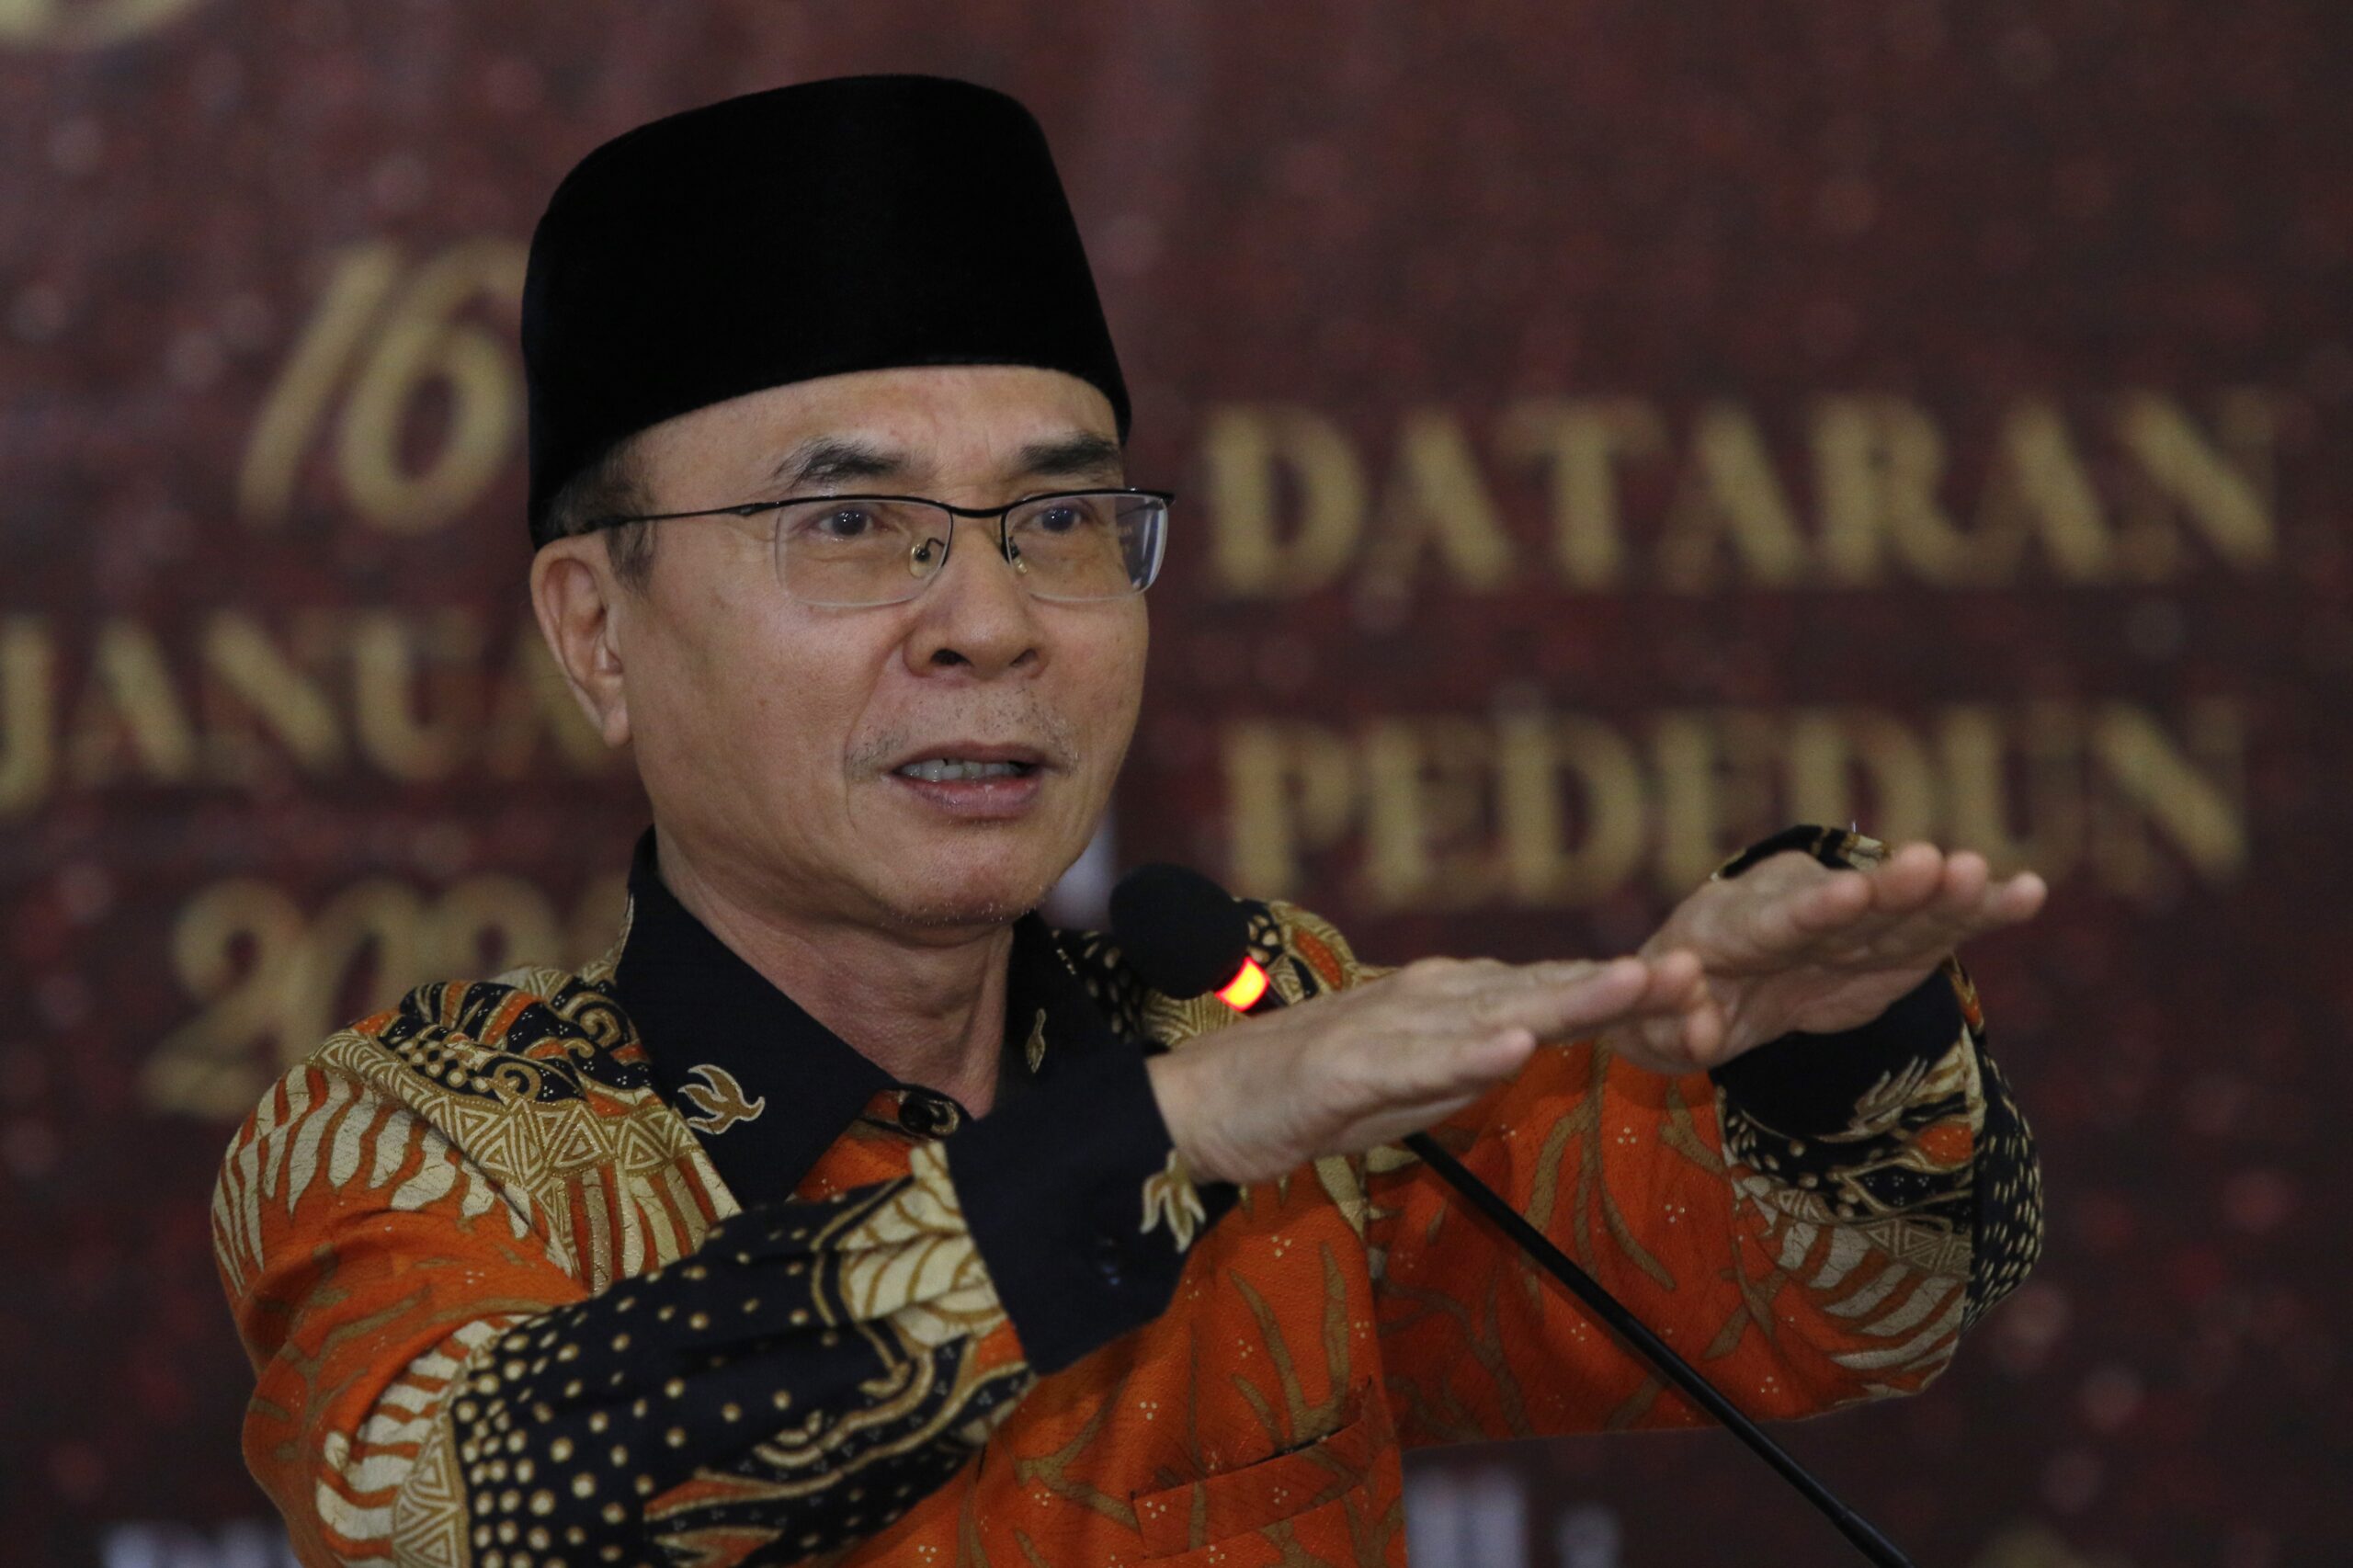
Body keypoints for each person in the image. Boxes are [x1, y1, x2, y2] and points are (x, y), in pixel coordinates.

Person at [211, 75, 2047, 1568]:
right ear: (595, 632)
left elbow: (1856, 1303)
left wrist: (1823, 1037)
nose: (991, 619)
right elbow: (459, 1514)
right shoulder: (429, 1141)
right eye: (851, 524)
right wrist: (1147, 1143)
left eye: (1061, 521)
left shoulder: (1250, 1030)